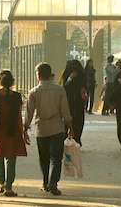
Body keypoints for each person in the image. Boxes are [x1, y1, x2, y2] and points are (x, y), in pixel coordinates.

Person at [24, 62, 73, 196]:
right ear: (50, 74)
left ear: (38, 75)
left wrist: (25, 129)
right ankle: (53, 183)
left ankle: (45, 183)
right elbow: (65, 110)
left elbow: (29, 113)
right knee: (56, 158)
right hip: (57, 128)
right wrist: (70, 127)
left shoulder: (34, 92)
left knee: (44, 157)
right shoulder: (60, 90)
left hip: (41, 129)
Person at [61, 59, 86, 145]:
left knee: (79, 121)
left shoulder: (81, 78)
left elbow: (85, 86)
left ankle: (77, 139)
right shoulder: (68, 77)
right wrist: (70, 78)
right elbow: (65, 87)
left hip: (78, 103)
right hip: (69, 102)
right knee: (68, 120)